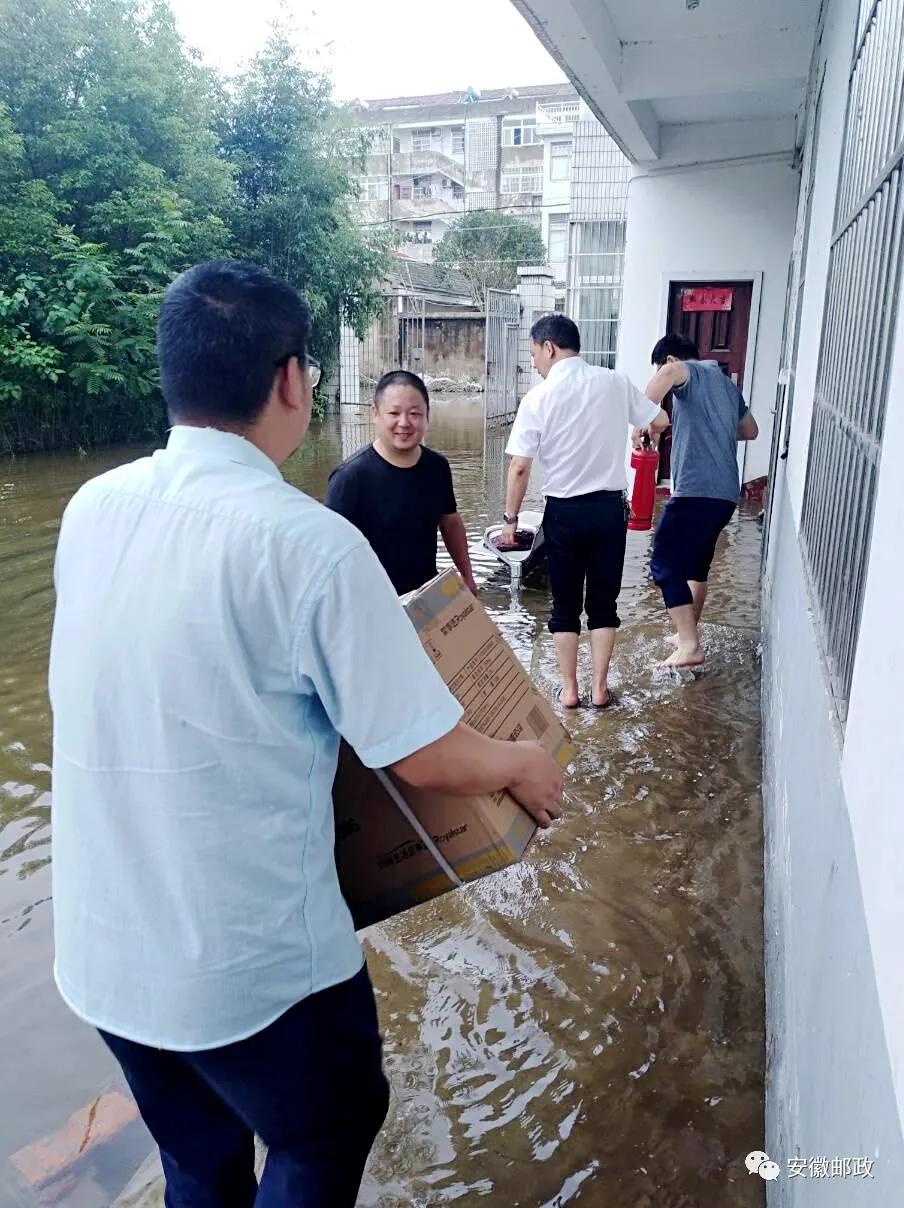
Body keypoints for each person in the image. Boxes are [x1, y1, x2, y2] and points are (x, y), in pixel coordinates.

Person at [48, 260, 563, 1208]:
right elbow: (421, 751)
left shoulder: (92, 509)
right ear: (291, 381)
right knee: (324, 1135)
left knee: (199, 1163)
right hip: (252, 973)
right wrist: (524, 760)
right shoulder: (308, 542)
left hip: (105, 957)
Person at [501, 314, 668, 709]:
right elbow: (659, 419)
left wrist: (510, 522)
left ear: (550, 348)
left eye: (534, 355)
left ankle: (570, 690)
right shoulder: (614, 382)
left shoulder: (537, 399)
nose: (535, 364)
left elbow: (520, 467)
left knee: (564, 606)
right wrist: (640, 430)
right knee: (604, 604)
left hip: (562, 514)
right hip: (609, 512)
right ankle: (599, 689)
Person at [639, 333, 759, 669]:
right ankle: (686, 633)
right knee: (695, 567)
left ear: (673, 360)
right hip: (724, 494)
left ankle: (689, 645)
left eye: (663, 367)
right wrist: (713, 427)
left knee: (663, 563)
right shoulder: (724, 384)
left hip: (697, 489)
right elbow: (750, 430)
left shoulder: (685, 370)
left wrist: (642, 421)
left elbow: (664, 377)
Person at [325, 371, 477, 595]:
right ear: (375, 414)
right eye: (394, 413)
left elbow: (450, 522)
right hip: (372, 603)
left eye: (414, 413)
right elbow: (329, 552)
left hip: (425, 599)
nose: (404, 423)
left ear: (428, 415)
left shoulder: (437, 467)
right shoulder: (350, 478)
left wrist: (467, 576)